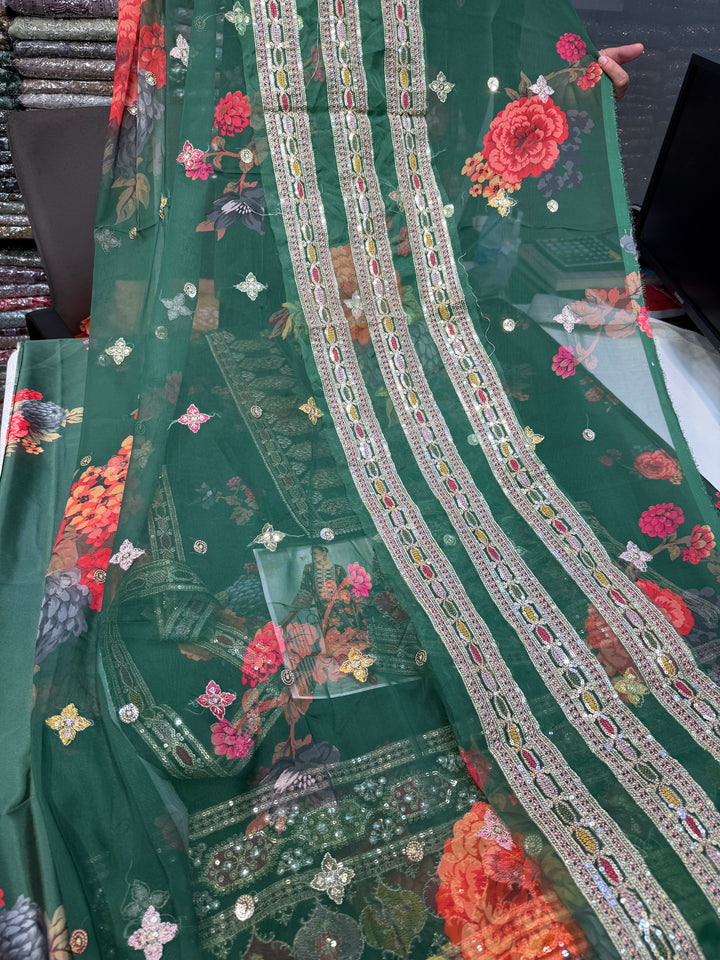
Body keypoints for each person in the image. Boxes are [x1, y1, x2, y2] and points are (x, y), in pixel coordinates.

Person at [1, 2, 719, 960]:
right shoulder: (216, 47)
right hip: (234, 336)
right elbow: (177, 236)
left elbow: (473, 188)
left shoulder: (439, 39)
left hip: (420, 328)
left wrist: (556, 93)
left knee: (590, 540)